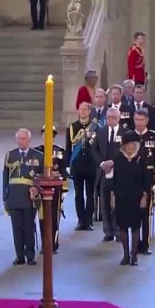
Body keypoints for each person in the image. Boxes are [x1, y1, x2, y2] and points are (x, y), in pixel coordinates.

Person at [109, 131, 151, 266]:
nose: (130, 147)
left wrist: (145, 196)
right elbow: (114, 180)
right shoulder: (118, 158)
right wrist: (113, 195)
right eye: (128, 145)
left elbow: (146, 179)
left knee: (135, 226)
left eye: (133, 144)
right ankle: (125, 254)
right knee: (122, 226)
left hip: (137, 196)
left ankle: (134, 255)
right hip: (121, 196)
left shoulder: (141, 159)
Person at [4, 128, 43, 265]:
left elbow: (41, 177)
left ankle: (30, 255)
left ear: (29, 140)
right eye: (19, 139)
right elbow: (5, 178)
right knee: (16, 228)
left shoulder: (38, 156)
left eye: (24, 139)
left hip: (29, 197)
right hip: (14, 196)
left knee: (28, 227)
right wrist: (5, 197)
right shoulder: (10, 155)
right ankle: (19, 256)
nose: (21, 141)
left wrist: (36, 189)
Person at [91, 108, 126, 241]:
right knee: (104, 201)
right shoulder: (100, 131)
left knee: (118, 203)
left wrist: (113, 162)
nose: (110, 119)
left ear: (119, 118)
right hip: (103, 172)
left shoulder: (125, 133)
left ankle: (118, 229)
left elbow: (126, 151)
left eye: (113, 117)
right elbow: (94, 149)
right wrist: (101, 164)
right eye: (109, 117)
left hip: (118, 172)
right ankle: (108, 231)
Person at [132, 110, 155, 255]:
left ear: (147, 120)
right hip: (131, 181)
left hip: (148, 180)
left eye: (141, 120)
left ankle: (144, 244)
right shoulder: (128, 137)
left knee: (146, 214)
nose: (138, 122)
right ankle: (134, 244)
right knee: (133, 214)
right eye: (136, 119)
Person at [34, 126, 68, 253]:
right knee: (43, 216)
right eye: (45, 134)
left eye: (51, 135)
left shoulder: (60, 151)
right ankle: (44, 243)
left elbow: (64, 172)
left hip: (56, 187)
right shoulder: (37, 151)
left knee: (55, 216)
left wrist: (64, 190)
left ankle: (53, 243)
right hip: (41, 187)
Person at [66, 101, 99, 231]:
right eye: (81, 109)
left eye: (86, 109)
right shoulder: (73, 127)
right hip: (77, 164)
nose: (83, 111)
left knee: (90, 194)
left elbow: (98, 146)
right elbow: (68, 147)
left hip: (91, 164)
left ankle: (88, 220)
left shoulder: (95, 126)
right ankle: (80, 220)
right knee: (78, 194)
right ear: (78, 111)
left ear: (89, 111)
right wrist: (68, 164)